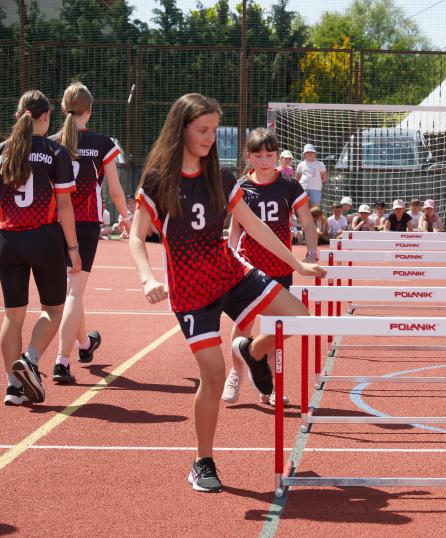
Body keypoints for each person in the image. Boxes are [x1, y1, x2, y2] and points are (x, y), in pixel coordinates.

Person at [128, 93, 325, 492]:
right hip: (190, 291)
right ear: (181, 128)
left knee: (300, 316)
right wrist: (147, 278)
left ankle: (251, 351)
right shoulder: (158, 180)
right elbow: (135, 236)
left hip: (230, 274)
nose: (209, 137)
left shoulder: (220, 177)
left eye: (214, 131)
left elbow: (254, 225)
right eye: (202, 130)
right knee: (214, 376)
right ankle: (203, 460)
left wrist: (298, 263)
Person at [222, 128, 319, 405]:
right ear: (249, 157)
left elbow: (307, 221)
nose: (264, 160)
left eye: (269, 155)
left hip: (280, 266)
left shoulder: (289, 185)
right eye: (258, 155)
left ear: (277, 155)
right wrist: (230, 256)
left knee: (278, 329)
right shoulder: (241, 186)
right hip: (249, 267)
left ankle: (271, 386)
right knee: (244, 321)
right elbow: (236, 228)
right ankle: (236, 373)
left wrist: (312, 252)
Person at [50, 82, 132, 385]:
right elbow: (115, 190)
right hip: (85, 223)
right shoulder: (102, 144)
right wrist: (126, 217)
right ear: (90, 110)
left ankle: (84, 343)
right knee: (74, 292)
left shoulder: (51, 143)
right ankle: (61, 361)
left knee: (73, 290)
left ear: (62, 108)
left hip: (54, 223)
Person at [1, 90, 79, 406]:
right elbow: (64, 205)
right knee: (54, 309)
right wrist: (73, 248)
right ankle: (30, 360)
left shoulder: (2, 152)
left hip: (6, 240)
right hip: (43, 238)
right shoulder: (55, 152)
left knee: (12, 316)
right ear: (45, 118)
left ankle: (13, 386)